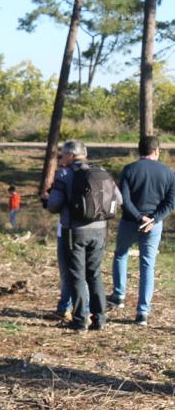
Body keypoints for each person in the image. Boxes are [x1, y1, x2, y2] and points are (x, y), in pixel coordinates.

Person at [45, 140, 121, 332]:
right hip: (100, 230)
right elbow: (118, 199)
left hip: (75, 231)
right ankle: (100, 319)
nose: (61, 159)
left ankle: (80, 321)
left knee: (77, 276)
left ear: (71, 155)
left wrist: (47, 199)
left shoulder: (64, 174)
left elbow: (54, 205)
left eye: (62, 155)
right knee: (94, 275)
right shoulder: (101, 171)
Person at [107, 135, 175, 326]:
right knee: (147, 265)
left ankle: (119, 296)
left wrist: (139, 217)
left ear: (139, 151)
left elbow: (125, 200)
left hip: (130, 221)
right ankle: (142, 312)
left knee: (121, 254)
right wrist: (154, 219)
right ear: (157, 151)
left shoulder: (129, 169)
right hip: (154, 225)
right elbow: (170, 203)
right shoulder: (169, 173)